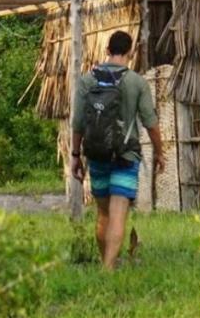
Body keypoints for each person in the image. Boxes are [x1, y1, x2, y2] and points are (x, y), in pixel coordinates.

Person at [69, 30, 165, 270]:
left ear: (107, 51)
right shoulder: (136, 82)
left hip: (97, 153)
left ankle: (106, 262)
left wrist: (74, 156)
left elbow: (78, 123)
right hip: (125, 155)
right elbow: (150, 122)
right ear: (130, 52)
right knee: (119, 212)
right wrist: (159, 152)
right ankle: (108, 270)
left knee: (103, 214)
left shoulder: (87, 80)